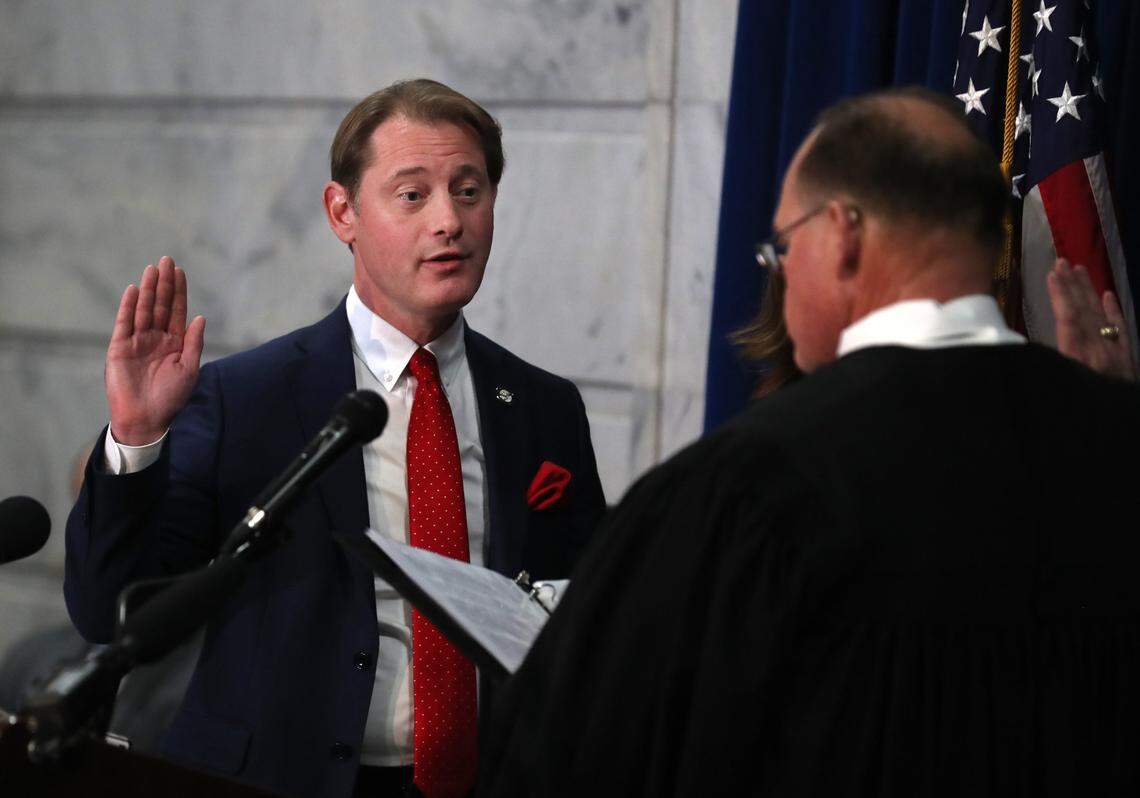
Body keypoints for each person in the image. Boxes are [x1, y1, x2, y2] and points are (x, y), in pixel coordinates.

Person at [478, 87, 1140, 796]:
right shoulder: (1120, 444)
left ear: (844, 234)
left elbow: (574, 761)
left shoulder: (744, 488)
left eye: (784, 248)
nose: (781, 274)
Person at [64, 78, 606, 798]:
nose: (449, 220)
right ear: (342, 212)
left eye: (468, 191)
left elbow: (591, 616)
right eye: (412, 195)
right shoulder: (245, 399)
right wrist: (135, 438)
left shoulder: (544, 406)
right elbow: (112, 610)